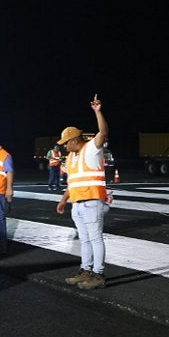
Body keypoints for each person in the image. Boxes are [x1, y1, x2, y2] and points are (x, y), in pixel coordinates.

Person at [57, 94, 109, 290]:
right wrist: (63, 200)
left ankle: (99, 274)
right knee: (85, 239)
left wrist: (98, 112)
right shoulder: (71, 157)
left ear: (74, 139)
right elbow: (73, 182)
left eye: (66, 142)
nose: (64, 146)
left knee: (95, 238)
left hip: (92, 201)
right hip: (77, 203)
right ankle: (86, 270)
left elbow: (103, 133)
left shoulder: (91, 149)